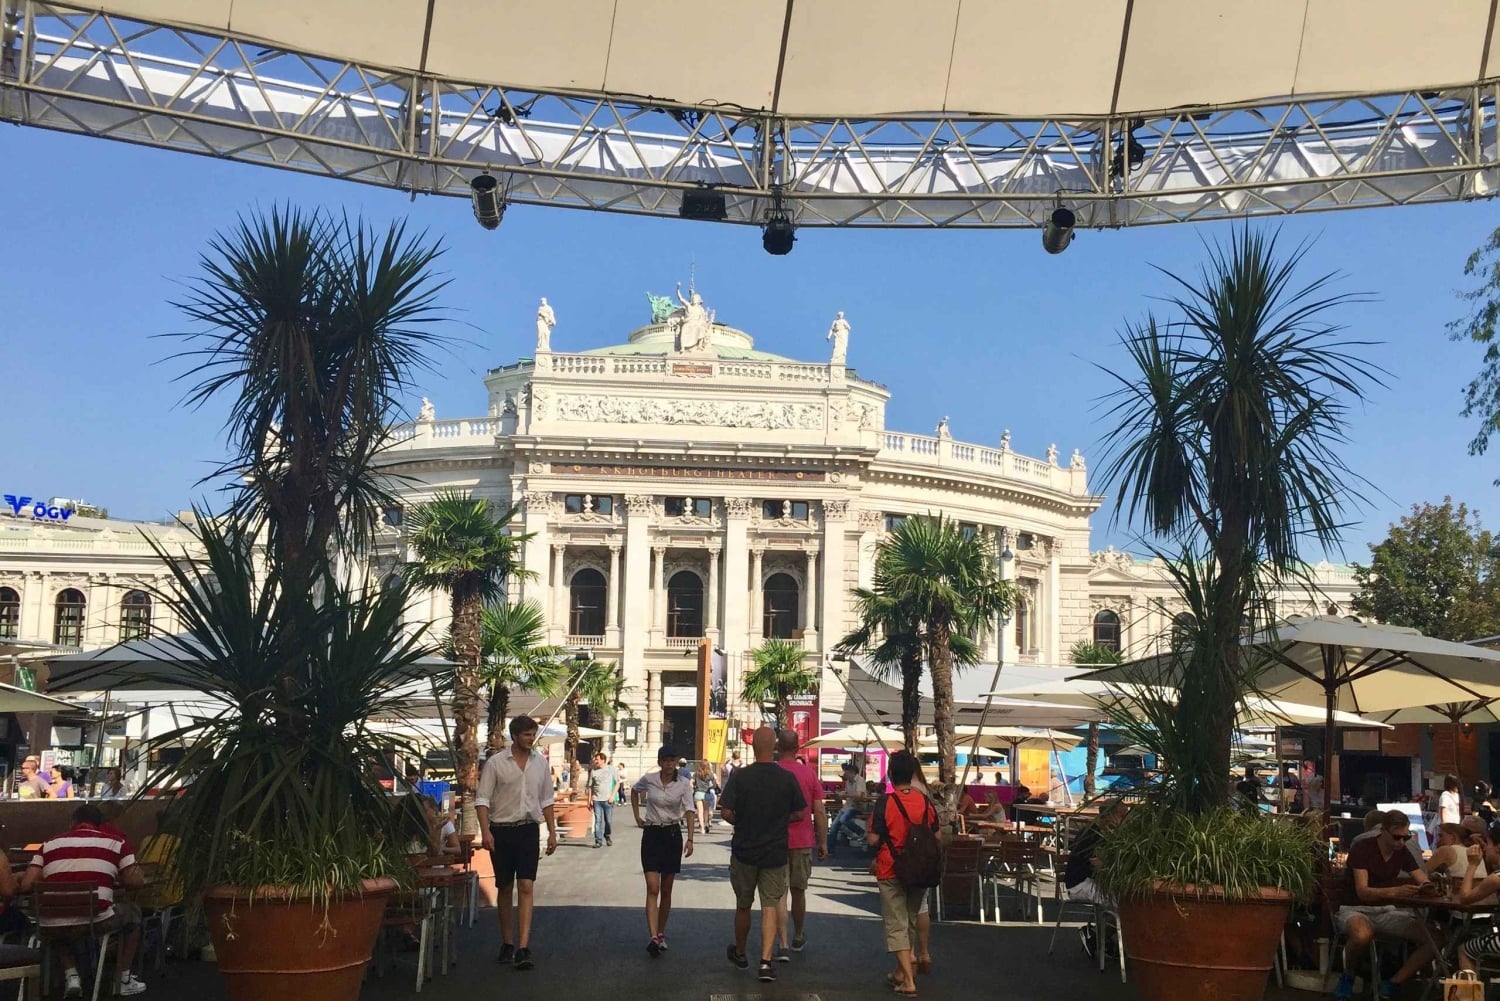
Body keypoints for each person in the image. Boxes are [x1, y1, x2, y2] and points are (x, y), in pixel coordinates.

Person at [22, 804, 146, 997]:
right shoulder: (117, 843)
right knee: (133, 914)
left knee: (55, 920)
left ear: (72, 822)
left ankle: (71, 975)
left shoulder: (48, 844)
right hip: (96, 921)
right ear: (99, 824)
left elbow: (26, 884)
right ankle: (123, 979)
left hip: (51, 923)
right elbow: (135, 881)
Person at [719, 726, 806, 984]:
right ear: (775, 747)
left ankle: (741, 952)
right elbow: (801, 812)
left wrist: (740, 820)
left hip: (745, 850)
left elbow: (725, 810)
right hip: (775, 852)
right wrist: (780, 820)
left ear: (753, 747)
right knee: (769, 906)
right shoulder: (786, 778)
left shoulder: (740, 776)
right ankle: (766, 963)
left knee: (743, 905)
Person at [475, 715, 558, 972]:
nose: (531, 739)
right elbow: (482, 800)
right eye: (526, 735)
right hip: (501, 830)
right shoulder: (496, 763)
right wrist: (486, 831)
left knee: (526, 884)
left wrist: (552, 832)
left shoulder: (540, 763)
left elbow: (546, 799)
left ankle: (523, 946)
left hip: (528, 830)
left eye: (533, 735)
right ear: (514, 736)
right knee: (504, 886)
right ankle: (507, 942)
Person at [1332, 809, 1440, 1000]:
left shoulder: (1402, 851)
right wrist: (1394, 892)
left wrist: (1428, 887)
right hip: (1355, 909)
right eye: (1397, 837)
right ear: (1383, 831)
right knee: (1362, 934)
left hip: (1386, 911)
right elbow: (1362, 892)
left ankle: (1394, 982)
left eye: (1405, 838)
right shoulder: (1363, 847)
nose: (1401, 842)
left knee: (1436, 938)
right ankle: (1348, 975)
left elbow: (1421, 878)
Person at [868, 750, 937, 998]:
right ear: (912, 773)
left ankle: (908, 980)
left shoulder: (885, 802)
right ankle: (901, 971)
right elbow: (935, 833)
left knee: (896, 924)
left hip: (890, 867)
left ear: (889, 774)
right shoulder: (925, 802)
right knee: (908, 920)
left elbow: (874, 838)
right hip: (919, 869)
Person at [631, 744, 696, 957]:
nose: (669, 764)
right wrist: (637, 816)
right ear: (659, 762)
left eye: (672, 760)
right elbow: (634, 790)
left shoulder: (684, 784)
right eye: (665, 760)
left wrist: (690, 839)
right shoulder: (649, 779)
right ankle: (652, 936)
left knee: (666, 889)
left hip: (671, 835)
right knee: (653, 887)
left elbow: (689, 810)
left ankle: (660, 932)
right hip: (651, 833)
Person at [774, 730, 828, 959]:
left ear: (778, 746)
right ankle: (797, 935)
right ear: (797, 748)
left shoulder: (772, 772)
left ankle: (782, 941)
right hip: (803, 840)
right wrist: (823, 842)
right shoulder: (808, 774)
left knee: (778, 893)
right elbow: (819, 810)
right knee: (799, 891)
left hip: (775, 840)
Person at [1064, 799, 1127, 907]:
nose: (1125, 821)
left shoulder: (1104, 833)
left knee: (1126, 897)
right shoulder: (1090, 835)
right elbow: (1097, 863)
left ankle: (1109, 922)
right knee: (1120, 900)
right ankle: (1109, 923)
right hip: (1081, 884)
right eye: (1122, 816)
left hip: (1092, 882)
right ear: (1109, 815)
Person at [827, 761, 866, 854]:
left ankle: (861, 832)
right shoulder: (848, 782)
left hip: (856, 807)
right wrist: (843, 794)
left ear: (852, 772)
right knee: (833, 827)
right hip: (847, 807)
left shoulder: (860, 780)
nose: (845, 774)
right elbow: (849, 794)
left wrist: (846, 794)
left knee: (844, 819)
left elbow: (859, 795)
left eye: (846, 772)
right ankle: (830, 850)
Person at [589, 752, 616, 849]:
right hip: (597, 799)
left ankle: (607, 835)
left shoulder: (611, 769)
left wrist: (612, 796)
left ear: (603, 760)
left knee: (608, 821)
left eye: (597, 759)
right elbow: (590, 787)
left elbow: (617, 783)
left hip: (608, 800)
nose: (595, 761)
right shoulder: (593, 771)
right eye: (595, 759)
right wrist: (590, 799)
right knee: (598, 821)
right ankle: (598, 840)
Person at [693, 761, 720, 835]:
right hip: (706, 794)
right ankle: (706, 824)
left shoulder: (696, 773)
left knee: (700, 811)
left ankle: (702, 829)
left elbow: (691, 783)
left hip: (698, 793)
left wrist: (694, 786)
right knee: (706, 811)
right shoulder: (710, 774)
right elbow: (715, 784)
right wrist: (712, 787)